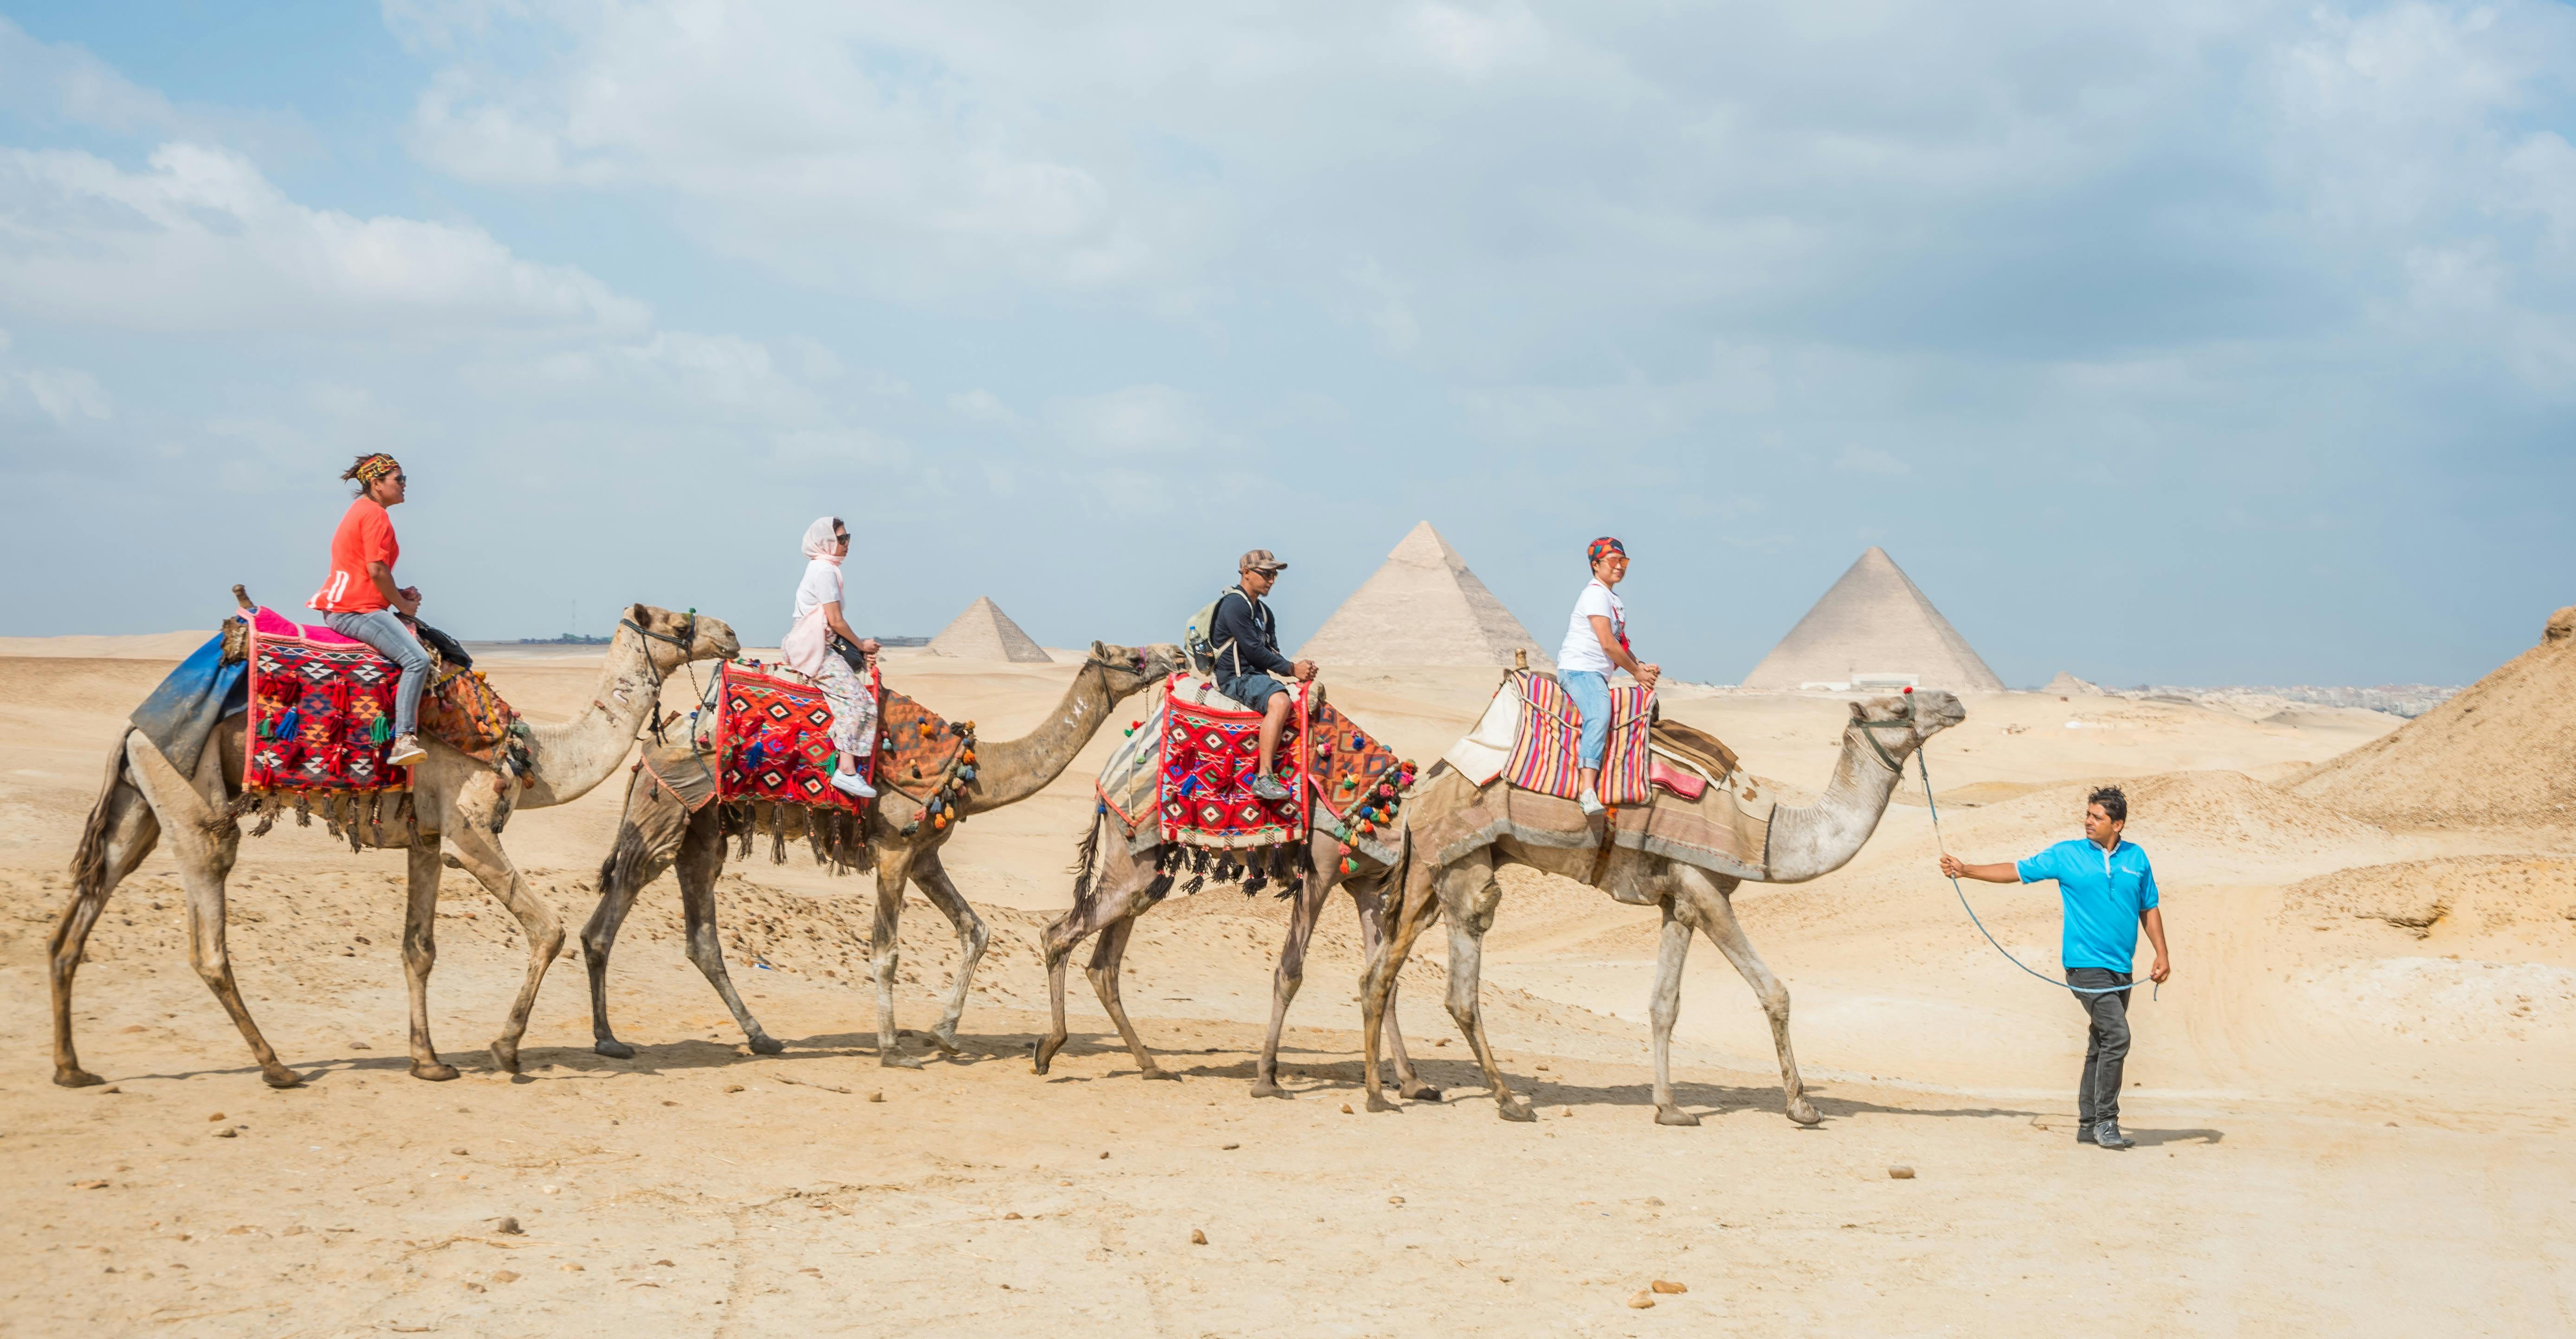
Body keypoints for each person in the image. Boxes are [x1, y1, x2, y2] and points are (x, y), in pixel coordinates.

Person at [1940, 785, 2172, 1150]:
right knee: (2119, 1036)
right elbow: (2016, 870)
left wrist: (2162, 953)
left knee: (2101, 1042)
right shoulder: (2067, 855)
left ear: (2118, 824)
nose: (2088, 822)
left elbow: (2150, 907)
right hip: (2084, 966)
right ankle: (2107, 1122)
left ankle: (2088, 1123)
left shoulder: (2136, 858)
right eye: (2088, 814)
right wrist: (1966, 870)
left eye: (2098, 817)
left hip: (2121, 968)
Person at [310, 453, 432, 766]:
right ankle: (404, 739)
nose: (405, 486)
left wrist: (397, 593)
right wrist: (403, 604)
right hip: (355, 610)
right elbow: (376, 570)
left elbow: (369, 573)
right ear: (377, 484)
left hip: (352, 604)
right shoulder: (376, 516)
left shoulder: (361, 510)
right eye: (399, 480)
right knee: (417, 660)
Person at [1555, 536, 1660, 815]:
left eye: (1623, 561)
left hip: (1595, 674)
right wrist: (1636, 672)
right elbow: (1607, 644)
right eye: (1613, 560)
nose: (1620, 566)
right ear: (1595, 564)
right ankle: (1587, 790)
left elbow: (1621, 644)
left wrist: (1642, 665)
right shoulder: (1595, 594)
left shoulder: (1612, 599)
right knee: (1600, 713)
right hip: (1580, 670)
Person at [779, 516, 880, 799]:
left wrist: (861, 649)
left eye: (848, 538)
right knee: (861, 704)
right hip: (814, 648)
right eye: (842, 539)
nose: (848, 544)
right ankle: (847, 772)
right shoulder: (824, 571)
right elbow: (835, 621)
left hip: (823, 643)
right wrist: (860, 643)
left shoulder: (827, 569)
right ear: (826, 542)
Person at [1207, 549, 1316, 802]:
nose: (1272, 580)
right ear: (1246, 573)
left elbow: (1271, 651)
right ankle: (1264, 777)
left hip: (1256, 677)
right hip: (1235, 679)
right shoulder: (1234, 605)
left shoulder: (1265, 613)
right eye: (1266, 573)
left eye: (1274, 575)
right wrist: (1291, 669)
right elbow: (1254, 651)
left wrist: (1299, 670)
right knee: (1280, 701)